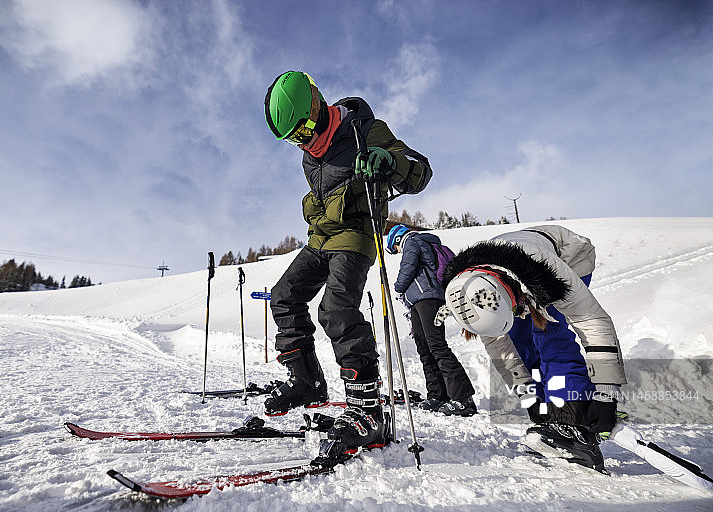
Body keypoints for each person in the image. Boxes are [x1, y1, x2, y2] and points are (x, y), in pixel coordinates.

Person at [263, 71, 432, 455]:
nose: (303, 141)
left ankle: (368, 412)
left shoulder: (364, 131)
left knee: (336, 309)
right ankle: (306, 381)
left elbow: (420, 171)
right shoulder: (309, 155)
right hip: (320, 238)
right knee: (285, 296)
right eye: (293, 138)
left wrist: (389, 161)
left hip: (355, 237)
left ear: (316, 105)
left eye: (304, 130)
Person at [437, 225, 626, 472]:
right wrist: (528, 395)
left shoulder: (546, 270)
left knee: (550, 335)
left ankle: (573, 422)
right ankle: (552, 412)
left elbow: (593, 322)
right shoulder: (466, 290)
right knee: (519, 341)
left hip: (569, 257)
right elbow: (499, 346)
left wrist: (606, 393)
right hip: (511, 271)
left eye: (516, 310)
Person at [387, 224, 477, 416]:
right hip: (418, 302)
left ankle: (463, 399)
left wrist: (397, 286)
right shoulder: (418, 242)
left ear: (397, 239)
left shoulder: (413, 241)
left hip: (428, 299)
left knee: (436, 345)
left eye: (395, 248)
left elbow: (407, 268)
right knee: (424, 347)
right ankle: (437, 395)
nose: (398, 251)